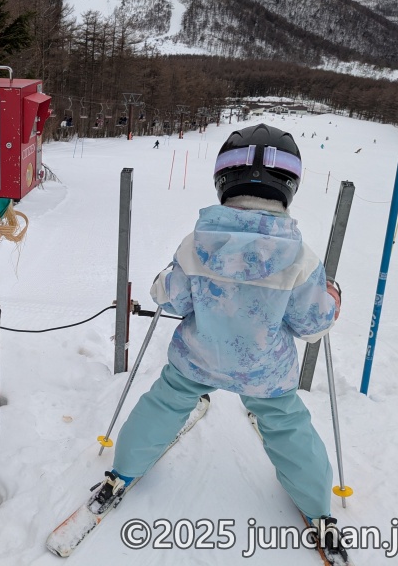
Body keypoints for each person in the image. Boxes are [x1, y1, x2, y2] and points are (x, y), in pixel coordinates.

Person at [90, 123, 348, 563]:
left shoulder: (197, 244)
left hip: (199, 357)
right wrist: (332, 298)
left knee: (165, 402)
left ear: (222, 180)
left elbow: (172, 297)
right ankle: (319, 509)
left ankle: (121, 471)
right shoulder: (300, 258)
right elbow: (311, 324)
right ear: (290, 186)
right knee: (287, 425)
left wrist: (160, 285)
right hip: (264, 371)